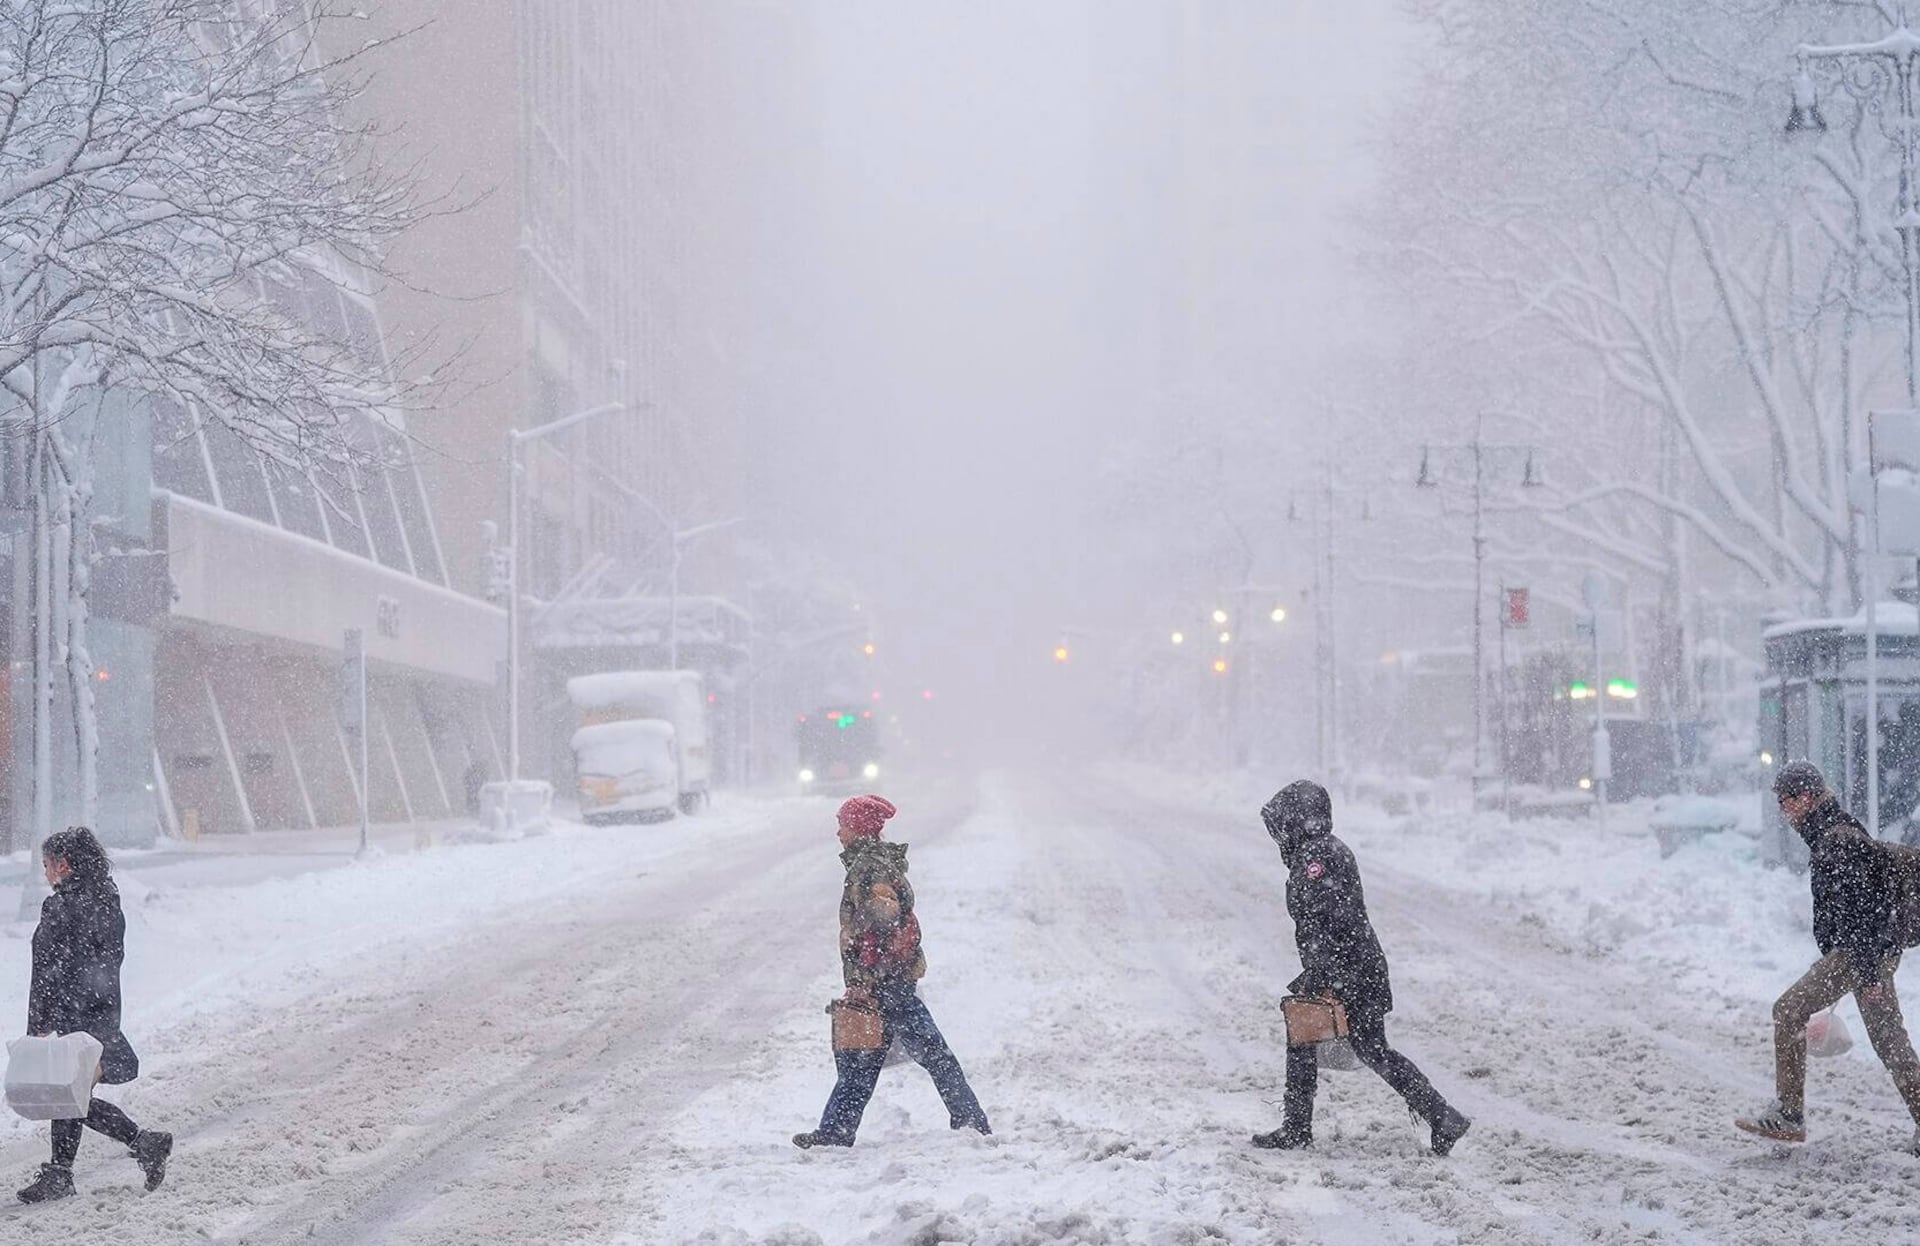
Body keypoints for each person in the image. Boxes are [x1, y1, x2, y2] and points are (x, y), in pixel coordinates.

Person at [1253, 780, 1471, 1155]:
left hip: (1347, 972)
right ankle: (1441, 1116)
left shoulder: (1316, 860)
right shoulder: (1324, 850)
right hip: (1357, 969)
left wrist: (1323, 978)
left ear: (1296, 820)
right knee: (1369, 1049)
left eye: (1281, 824)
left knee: (1310, 1039)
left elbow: (1327, 920)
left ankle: (1296, 1129)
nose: (1278, 835)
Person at [1737, 761, 1920, 1151]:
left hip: (1860, 953)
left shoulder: (1837, 841)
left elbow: (1865, 914)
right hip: (1869, 951)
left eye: (1786, 801)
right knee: (1889, 1040)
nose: (1784, 810)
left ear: (1804, 797)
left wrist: (1867, 974)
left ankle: (1788, 1113)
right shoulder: (1835, 831)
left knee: (1788, 1011)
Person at [793, 795, 990, 1148]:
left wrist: (865, 981)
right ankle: (836, 1132)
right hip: (887, 979)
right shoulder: (870, 863)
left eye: (843, 824)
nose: (839, 832)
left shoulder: (872, 868)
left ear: (860, 828)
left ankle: (971, 1121)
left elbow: (880, 924)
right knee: (865, 1061)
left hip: (887, 981)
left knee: (922, 1055)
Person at [17, 827, 172, 1203]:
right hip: (101, 1012)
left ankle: (136, 1145)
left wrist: (38, 1026)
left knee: (69, 1095)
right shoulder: (106, 898)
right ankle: (69, 1170)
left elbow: (47, 970)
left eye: (47, 865)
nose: (46, 873)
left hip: (73, 1014)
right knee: (72, 1094)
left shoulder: (60, 907)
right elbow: (105, 960)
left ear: (64, 864)